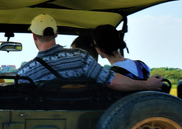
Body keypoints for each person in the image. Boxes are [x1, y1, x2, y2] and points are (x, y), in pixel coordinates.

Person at [16, 14, 163, 92]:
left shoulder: (25, 73)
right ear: (56, 33)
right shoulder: (81, 57)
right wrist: (147, 85)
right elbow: (111, 81)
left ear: (34, 36)